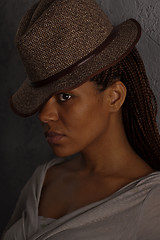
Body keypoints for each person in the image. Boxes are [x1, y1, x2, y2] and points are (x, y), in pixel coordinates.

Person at [2, 0, 160, 239]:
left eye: (65, 96)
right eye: (41, 99)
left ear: (114, 97)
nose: (44, 115)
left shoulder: (151, 205)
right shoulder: (43, 179)